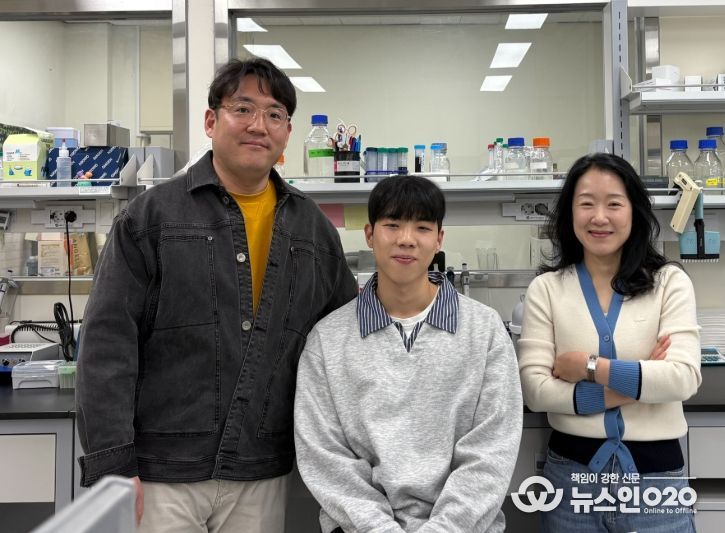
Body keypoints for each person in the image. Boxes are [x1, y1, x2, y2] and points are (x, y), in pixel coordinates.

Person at [75, 57, 358, 533]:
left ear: (288, 132)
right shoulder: (151, 218)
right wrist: (112, 463)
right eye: (242, 109)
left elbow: (345, 343)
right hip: (162, 472)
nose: (258, 125)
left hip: (261, 469)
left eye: (274, 114)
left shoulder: (312, 230)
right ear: (211, 121)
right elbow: (107, 344)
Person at [294, 175, 523, 533]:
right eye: (392, 225)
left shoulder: (484, 329)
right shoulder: (328, 339)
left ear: (439, 239)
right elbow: (325, 456)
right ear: (370, 235)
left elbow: (491, 450)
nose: (406, 239)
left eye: (422, 227)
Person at [518, 153, 700, 532]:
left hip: (655, 482)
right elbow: (535, 391)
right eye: (586, 204)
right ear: (570, 213)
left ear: (635, 211)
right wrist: (638, 383)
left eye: (614, 204)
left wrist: (588, 367)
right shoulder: (546, 289)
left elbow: (682, 379)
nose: (599, 217)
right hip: (571, 480)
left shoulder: (669, 283)